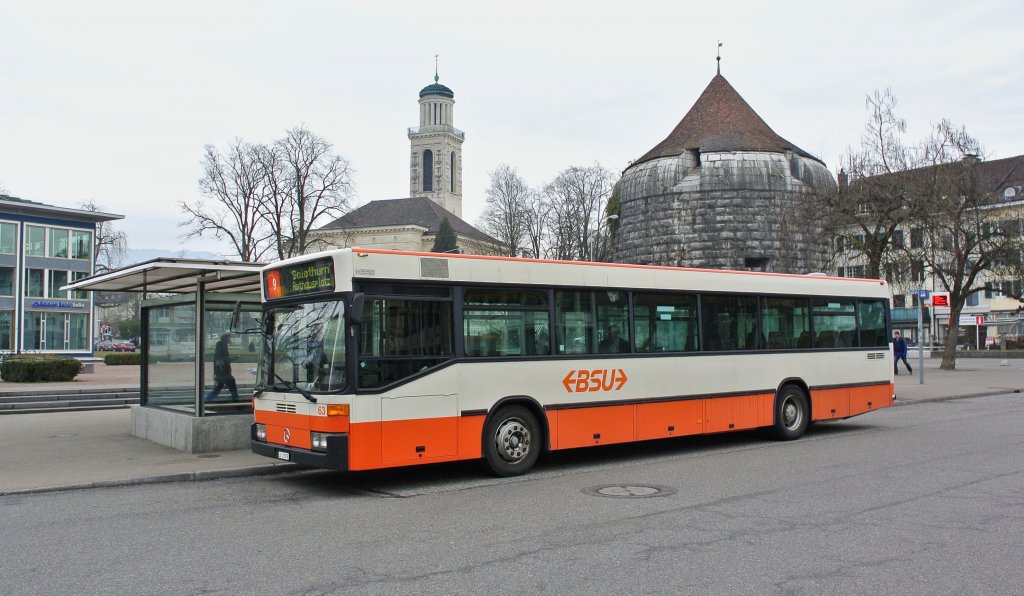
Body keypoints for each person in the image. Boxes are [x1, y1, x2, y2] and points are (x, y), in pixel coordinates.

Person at [205, 332, 239, 402]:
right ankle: (236, 404)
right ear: (226, 339)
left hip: (219, 374)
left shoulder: (220, 346)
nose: (230, 340)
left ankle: (205, 401)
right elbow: (224, 360)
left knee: (215, 392)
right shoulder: (223, 347)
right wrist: (234, 358)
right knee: (233, 390)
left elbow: (220, 360)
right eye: (229, 338)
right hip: (225, 374)